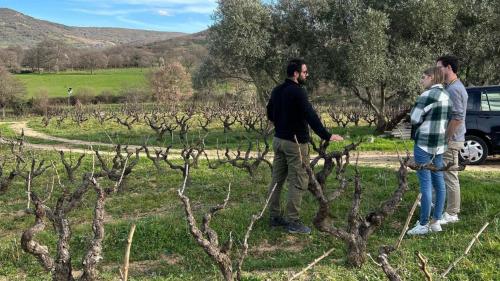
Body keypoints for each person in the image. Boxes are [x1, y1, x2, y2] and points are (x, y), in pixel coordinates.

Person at [266, 59, 343, 234]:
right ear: (296, 73)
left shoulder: (277, 90)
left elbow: (270, 113)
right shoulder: (298, 92)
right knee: (298, 181)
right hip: (295, 144)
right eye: (305, 72)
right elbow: (311, 115)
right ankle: (293, 221)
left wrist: (282, 123)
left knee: (277, 180)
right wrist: (327, 135)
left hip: (278, 140)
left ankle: (274, 217)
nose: (307, 75)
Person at [407, 66, 451, 235]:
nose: (421, 79)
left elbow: (414, 118)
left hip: (424, 144)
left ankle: (423, 224)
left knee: (425, 184)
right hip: (439, 145)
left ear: (432, 77)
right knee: (439, 183)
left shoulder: (426, 96)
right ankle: (436, 221)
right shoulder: (447, 95)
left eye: (423, 76)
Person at [436, 55, 468, 224]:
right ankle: (443, 207)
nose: (437, 71)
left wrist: (445, 138)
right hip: (451, 138)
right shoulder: (451, 87)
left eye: (439, 67)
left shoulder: (454, 89)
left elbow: (457, 118)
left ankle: (452, 213)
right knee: (443, 173)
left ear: (449, 68)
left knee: (450, 175)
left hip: (451, 139)